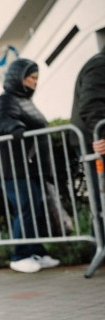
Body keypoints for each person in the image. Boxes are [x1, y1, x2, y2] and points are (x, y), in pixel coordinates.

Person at [0, 58, 60, 274]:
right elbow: (2, 122)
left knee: (35, 208)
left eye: (37, 78)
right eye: (31, 77)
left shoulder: (23, 100)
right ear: (18, 78)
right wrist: (16, 128)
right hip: (10, 167)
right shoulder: (6, 100)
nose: (34, 82)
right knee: (26, 208)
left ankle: (36, 252)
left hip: (25, 166)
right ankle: (19, 256)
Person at [71, 44, 105, 218]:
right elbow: (91, 106)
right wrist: (102, 135)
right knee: (101, 200)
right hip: (95, 143)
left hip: (94, 140)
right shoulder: (100, 65)